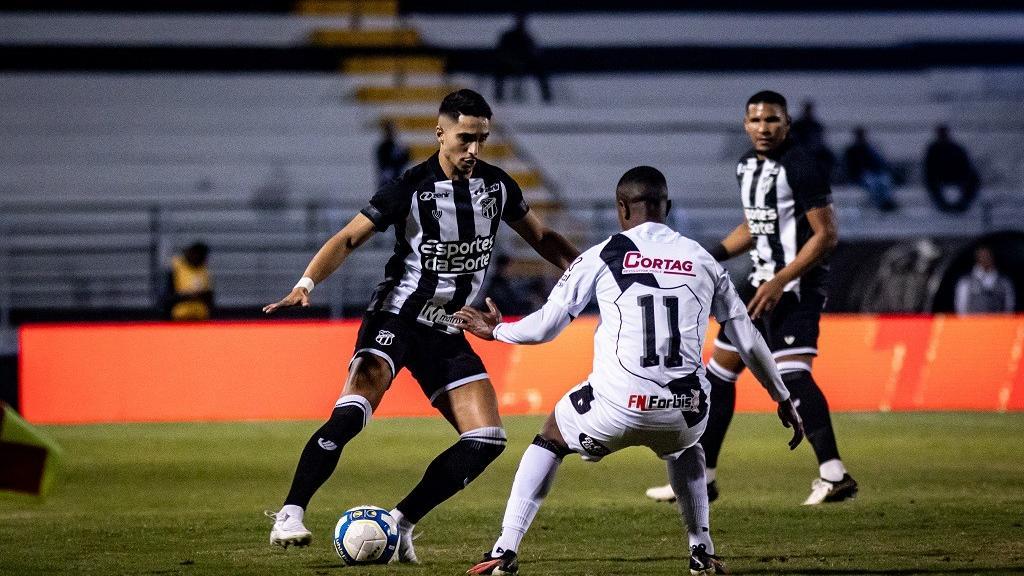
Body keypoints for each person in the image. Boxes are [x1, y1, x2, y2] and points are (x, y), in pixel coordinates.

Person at [261, 89, 579, 560]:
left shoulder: (497, 187)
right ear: (440, 134)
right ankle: (290, 513)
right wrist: (306, 283)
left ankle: (399, 524)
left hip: (448, 328)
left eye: (482, 139)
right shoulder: (409, 188)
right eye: (465, 138)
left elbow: (543, 237)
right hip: (397, 317)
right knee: (352, 411)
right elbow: (348, 238)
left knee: (487, 439)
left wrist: (592, 272)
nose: (474, 150)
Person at [457, 166, 804, 576]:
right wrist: (782, 396)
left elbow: (545, 328)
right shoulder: (703, 259)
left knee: (551, 437)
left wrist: (496, 330)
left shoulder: (604, 254)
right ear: (667, 208)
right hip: (683, 411)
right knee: (689, 446)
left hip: (618, 408)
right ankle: (701, 549)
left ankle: (506, 548)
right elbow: (748, 338)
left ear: (622, 208)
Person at [646, 90, 856, 506]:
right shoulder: (746, 165)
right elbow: (754, 226)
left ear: (787, 124)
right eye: (756, 120)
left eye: (772, 120)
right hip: (760, 287)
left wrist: (781, 280)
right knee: (718, 377)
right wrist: (709, 255)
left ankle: (835, 476)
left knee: (793, 375)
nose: (764, 128)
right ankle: (702, 478)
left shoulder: (801, 166)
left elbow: (826, 235)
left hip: (795, 289)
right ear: (745, 124)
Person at [494, 13, 552, 104]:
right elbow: (502, 53)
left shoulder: (527, 37)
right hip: (510, 64)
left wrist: (525, 61)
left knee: (541, 70)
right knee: (499, 70)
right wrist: (513, 61)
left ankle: (547, 97)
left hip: (525, 65)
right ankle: (498, 97)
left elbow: (534, 52)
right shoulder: (508, 36)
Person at [924, 124, 979, 213]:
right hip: (939, 177)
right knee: (930, 181)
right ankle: (943, 206)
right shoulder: (933, 149)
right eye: (941, 133)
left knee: (974, 179)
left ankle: (962, 205)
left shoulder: (956, 147)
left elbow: (966, 164)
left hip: (956, 176)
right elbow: (928, 167)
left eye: (944, 133)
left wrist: (963, 175)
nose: (943, 135)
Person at [843, 126, 897, 212]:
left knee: (885, 181)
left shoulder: (871, 148)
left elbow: (880, 162)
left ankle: (887, 201)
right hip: (860, 175)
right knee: (872, 183)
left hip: (875, 173)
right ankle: (880, 204)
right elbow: (850, 166)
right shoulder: (851, 150)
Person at [954, 244, 1015, 315]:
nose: (985, 259)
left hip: (997, 320)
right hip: (974, 320)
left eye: (987, 256)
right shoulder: (966, 281)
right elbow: (961, 306)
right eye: (982, 256)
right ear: (977, 258)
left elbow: (1009, 306)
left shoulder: (1004, 282)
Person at [165, 242, 213, 321]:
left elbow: (210, 296)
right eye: (199, 257)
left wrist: (201, 295)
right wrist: (188, 296)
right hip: (179, 317)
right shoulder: (176, 268)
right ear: (192, 254)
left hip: (200, 316)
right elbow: (167, 296)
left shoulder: (203, 270)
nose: (201, 260)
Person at [790, 99, 834, 175]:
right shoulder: (797, 125)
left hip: (814, 150)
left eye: (809, 109)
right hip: (799, 150)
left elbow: (820, 139)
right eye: (807, 109)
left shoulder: (816, 125)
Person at [375, 119, 410, 188]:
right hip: (387, 177)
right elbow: (383, 162)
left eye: (392, 131)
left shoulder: (398, 146)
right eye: (389, 131)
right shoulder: (383, 147)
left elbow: (406, 158)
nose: (391, 133)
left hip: (396, 176)